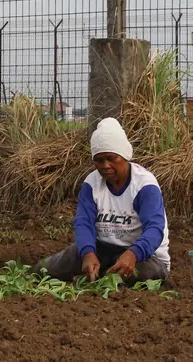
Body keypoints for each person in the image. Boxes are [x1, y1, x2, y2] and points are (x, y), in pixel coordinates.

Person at [34, 117, 171, 283]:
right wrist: (88, 253)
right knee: (48, 269)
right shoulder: (92, 184)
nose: (105, 165)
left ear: (124, 156)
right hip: (103, 250)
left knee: (140, 274)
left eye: (111, 158)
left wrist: (133, 253)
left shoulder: (144, 185)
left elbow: (155, 229)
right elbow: (84, 222)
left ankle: (97, 275)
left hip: (146, 255)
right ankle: (91, 271)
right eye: (99, 160)